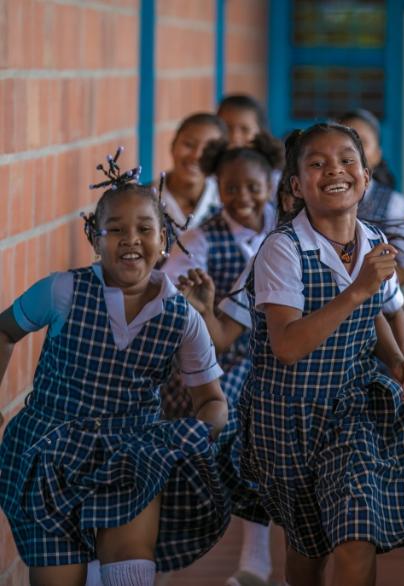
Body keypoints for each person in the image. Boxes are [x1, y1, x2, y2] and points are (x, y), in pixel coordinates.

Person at [0, 150, 229, 586]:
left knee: (128, 568)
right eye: (115, 230)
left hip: (132, 452)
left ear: (164, 240)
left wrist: (191, 437)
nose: (130, 240)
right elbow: (3, 331)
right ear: (94, 238)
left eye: (145, 229)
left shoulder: (182, 318)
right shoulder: (62, 291)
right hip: (50, 450)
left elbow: (213, 401)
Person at [238, 123, 404, 586]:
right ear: (296, 186)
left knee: (356, 534)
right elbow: (287, 346)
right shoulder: (282, 250)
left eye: (347, 160)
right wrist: (358, 290)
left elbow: (378, 315)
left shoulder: (370, 241)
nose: (334, 170)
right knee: (309, 550)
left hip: (349, 411)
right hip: (286, 419)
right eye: (317, 163)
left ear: (366, 177)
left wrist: (402, 359)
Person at [163, 133, 284, 586]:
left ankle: (257, 561)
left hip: (276, 360)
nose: (243, 198)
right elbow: (171, 295)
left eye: (253, 187)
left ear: (270, 183)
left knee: (262, 451)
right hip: (217, 360)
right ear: (217, 185)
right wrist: (199, 304)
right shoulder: (199, 239)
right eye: (230, 188)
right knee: (219, 449)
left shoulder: (286, 229)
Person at [339, 109, 404, 285]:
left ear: (377, 155)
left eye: (361, 142)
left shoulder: (396, 204)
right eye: (344, 141)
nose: (352, 150)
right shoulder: (314, 197)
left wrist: (371, 294)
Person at [161, 112, 227, 233]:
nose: (196, 156)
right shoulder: (146, 198)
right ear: (173, 145)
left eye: (209, 149)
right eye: (189, 144)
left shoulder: (227, 204)